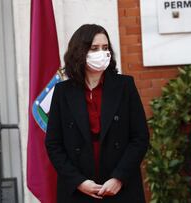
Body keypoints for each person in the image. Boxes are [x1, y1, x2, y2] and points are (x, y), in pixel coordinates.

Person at [45, 24, 149, 203]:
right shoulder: (63, 92)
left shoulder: (125, 86)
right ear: (79, 51)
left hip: (120, 188)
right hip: (78, 189)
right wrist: (78, 181)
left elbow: (140, 137)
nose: (102, 53)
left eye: (105, 47)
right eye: (94, 48)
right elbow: (54, 143)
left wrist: (119, 178)